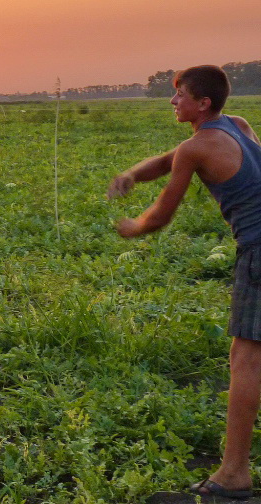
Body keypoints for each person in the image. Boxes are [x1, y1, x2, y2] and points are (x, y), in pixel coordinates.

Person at [109, 65, 261, 500]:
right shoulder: (238, 126)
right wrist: (133, 174)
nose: (173, 101)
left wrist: (133, 227)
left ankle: (233, 475)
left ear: (203, 104)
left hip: (259, 249)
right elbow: (169, 160)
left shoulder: (196, 148)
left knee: (246, 360)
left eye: (180, 95)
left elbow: (161, 215)